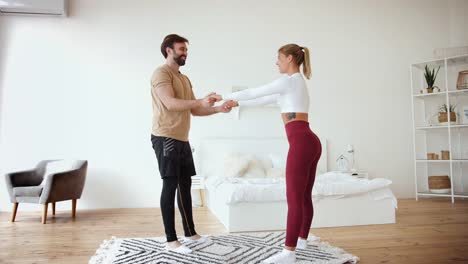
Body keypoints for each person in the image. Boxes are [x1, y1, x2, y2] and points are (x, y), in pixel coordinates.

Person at [222, 44, 322, 264]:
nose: (276, 62)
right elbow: (261, 100)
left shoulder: (288, 81)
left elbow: (254, 92)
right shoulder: (295, 85)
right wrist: (236, 102)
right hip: (310, 141)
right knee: (304, 196)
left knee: (294, 198)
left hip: (302, 143)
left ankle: (289, 252)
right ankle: (302, 240)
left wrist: (224, 96)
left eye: (278, 58)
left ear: (289, 58)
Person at [150, 34, 232, 254]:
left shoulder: (184, 79)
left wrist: (217, 108)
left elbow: (194, 109)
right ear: (168, 50)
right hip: (165, 137)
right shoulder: (161, 74)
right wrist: (199, 100)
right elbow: (170, 103)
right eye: (181, 49)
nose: (185, 52)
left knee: (185, 184)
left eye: (186, 49)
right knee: (170, 184)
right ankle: (170, 240)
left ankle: (190, 232)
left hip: (182, 138)